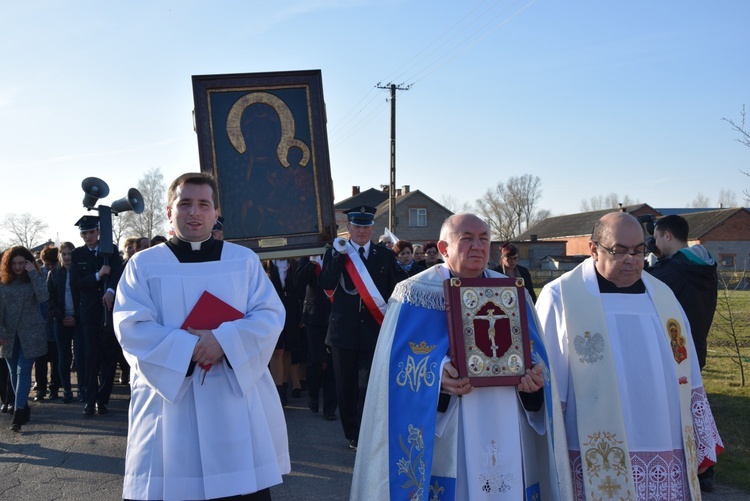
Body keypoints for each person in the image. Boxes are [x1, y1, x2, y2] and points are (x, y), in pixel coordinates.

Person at [351, 213, 572, 500]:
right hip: (451, 427)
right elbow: (395, 366)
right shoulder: (414, 294)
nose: (478, 246)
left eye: (484, 239)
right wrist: (438, 373)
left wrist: (534, 382)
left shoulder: (510, 291)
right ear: (444, 249)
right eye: (467, 239)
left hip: (508, 417)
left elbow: (534, 355)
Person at [113, 172, 289, 500]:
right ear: (169, 211)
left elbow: (269, 315)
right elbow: (131, 327)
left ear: (215, 212)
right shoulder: (144, 265)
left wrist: (224, 341)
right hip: (170, 407)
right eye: (185, 204)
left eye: (203, 204)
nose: (194, 212)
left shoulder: (243, 261)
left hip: (233, 401)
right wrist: (191, 348)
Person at [535, 211, 723, 500]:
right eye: (620, 251)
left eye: (638, 251)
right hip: (590, 442)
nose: (632, 260)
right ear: (593, 249)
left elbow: (688, 371)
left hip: (664, 432)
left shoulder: (663, 297)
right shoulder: (561, 297)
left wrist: (698, 436)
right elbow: (547, 382)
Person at [646, 214, 719, 492]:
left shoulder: (673, 270)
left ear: (666, 236)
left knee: (677, 410)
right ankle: (706, 467)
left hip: (672, 349)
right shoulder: (705, 265)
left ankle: (694, 467)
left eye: (656, 236)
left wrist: (649, 258)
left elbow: (645, 282)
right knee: (696, 407)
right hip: (696, 345)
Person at [318, 205, 399, 450]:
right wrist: (338, 257)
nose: (361, 231)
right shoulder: (334, 252)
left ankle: (366, 432)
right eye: (356, 226)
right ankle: (352, 434)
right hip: (343, 332)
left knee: (368, 385)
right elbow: (326, 283)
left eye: (365, 226)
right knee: (346, 386)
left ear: (372, 228)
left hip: (374, 331)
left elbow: (393, 290)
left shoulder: (383, 255)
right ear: (349, 228)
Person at [70, 215, 124, 416]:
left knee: (108, 358)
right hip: (90, 313)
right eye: (84, 233)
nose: (88, 236)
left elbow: (118, 274)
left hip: (108, 311)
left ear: (99, 231)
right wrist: (97, 275)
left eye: (91, 232)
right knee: (90, 357)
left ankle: (103, 400)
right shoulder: (78, 254)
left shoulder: (109, 251)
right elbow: (76, 283)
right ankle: (90, 400)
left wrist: (110, 290)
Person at [0, 246, 49, 432]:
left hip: (31, 333)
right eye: (14, 263)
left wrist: (34, 274)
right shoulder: (3, 282)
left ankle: (18, 412)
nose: (18, 267)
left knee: (24, 372)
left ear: (28, 262)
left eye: (21, 263)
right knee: (13, 373)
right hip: (9, 334)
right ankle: (23, 406)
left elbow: (44, 297)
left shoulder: (35, 278)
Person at [297, 255, 337, 421]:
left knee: (334, 363)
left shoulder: (337, 253)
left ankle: (330, 407)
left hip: (336, 315)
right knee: (316, 360)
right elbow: (299, 281)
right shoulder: (307, 255)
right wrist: (311, 264)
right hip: (314, 316)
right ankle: (313, 396)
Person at [47, 241, 82, 403]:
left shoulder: (80, 272)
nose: (68, 257)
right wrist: (62, 317)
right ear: (60, 256)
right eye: (64, 254)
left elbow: (85, 298)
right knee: (63, 357)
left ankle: (82, 389)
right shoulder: (53, 274)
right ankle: (67, 390)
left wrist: (75, 317)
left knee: (81, 355)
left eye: (70, 254)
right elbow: (50, 300)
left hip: (79, 320)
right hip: (61, 321)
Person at [35, 245, 62, 401]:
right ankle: (40, 388)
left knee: (56, 358)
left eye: (53, 264)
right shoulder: (38, 275)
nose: (50, 267)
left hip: (55, 320)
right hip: (40, 323)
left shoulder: (60, 274)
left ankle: (54, 388)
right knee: (40, 360)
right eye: (47, 264)